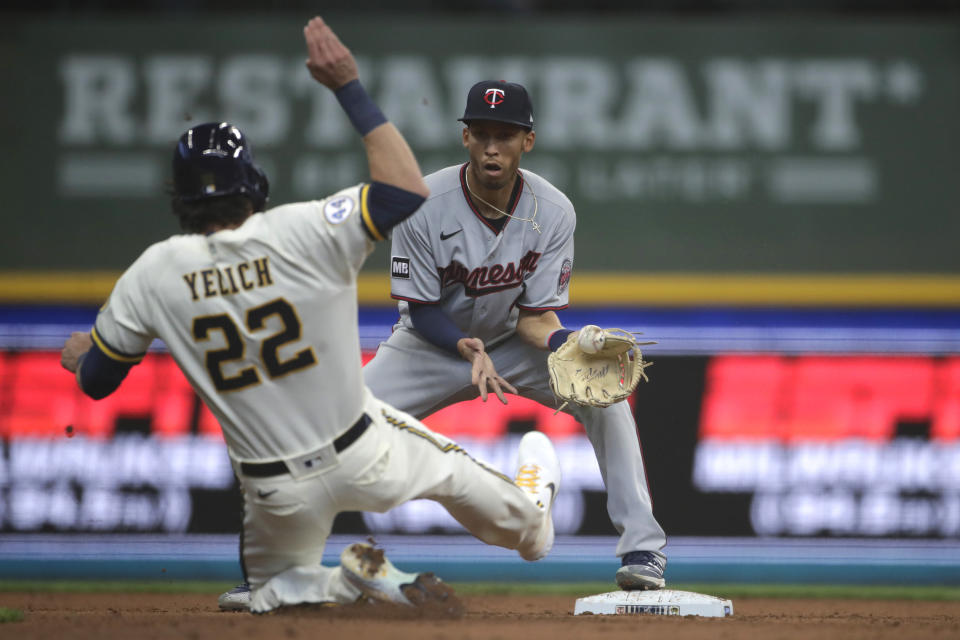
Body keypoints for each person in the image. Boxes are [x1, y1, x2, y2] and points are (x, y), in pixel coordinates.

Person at [61, 17, 560, 615]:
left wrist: (85, 355)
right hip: (365, 449)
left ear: (179, 198)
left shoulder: (153, 272)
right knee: (531, 534)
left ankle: (344, 582)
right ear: (254, 184)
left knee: (273, 591)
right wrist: (348, 85)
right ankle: (504, 515)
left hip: (275, 491)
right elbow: (405, 192)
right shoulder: (302, 230)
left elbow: (96, 382)